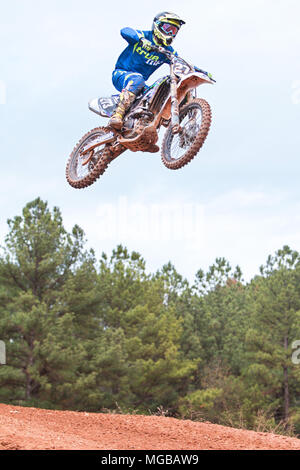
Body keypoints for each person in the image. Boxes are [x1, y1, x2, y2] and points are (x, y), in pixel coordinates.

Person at [109, 12, 185, 131]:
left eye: (174, 31)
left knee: (156, 95)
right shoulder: (144, 36)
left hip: (140, 84)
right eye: (167, 28)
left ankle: (144, 129)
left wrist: (198, 72)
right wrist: (141, 39)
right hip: (122, 74)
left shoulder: (168, 51)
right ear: (157, 26)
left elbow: (179, 62)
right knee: (137, 79)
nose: (170, 33)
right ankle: (117, 115)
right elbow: (125, 30)